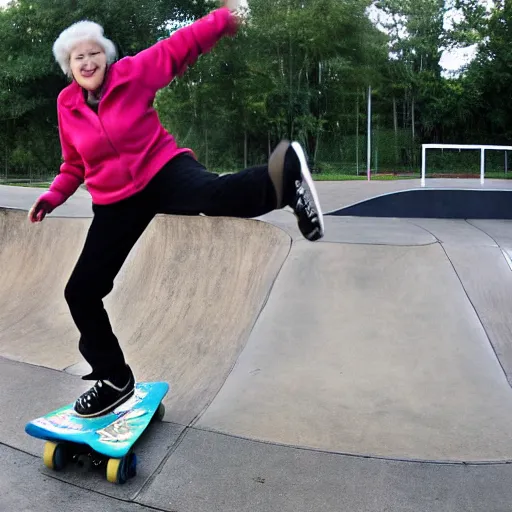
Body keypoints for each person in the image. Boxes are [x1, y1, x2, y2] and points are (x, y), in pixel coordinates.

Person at [28, 0, 324, 418]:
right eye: (80, 57)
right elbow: (74, 163)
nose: (89, 60)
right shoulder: (66, 105)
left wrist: (225, 17)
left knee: (212, 196)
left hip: (162, 168)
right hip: (115, 202)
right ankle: (114, 377)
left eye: (95, 52)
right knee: (81, 291)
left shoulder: (132, 72)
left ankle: (283, 177)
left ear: (106, 56)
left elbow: (180, 45)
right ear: (69, 66)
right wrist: (53, 195)